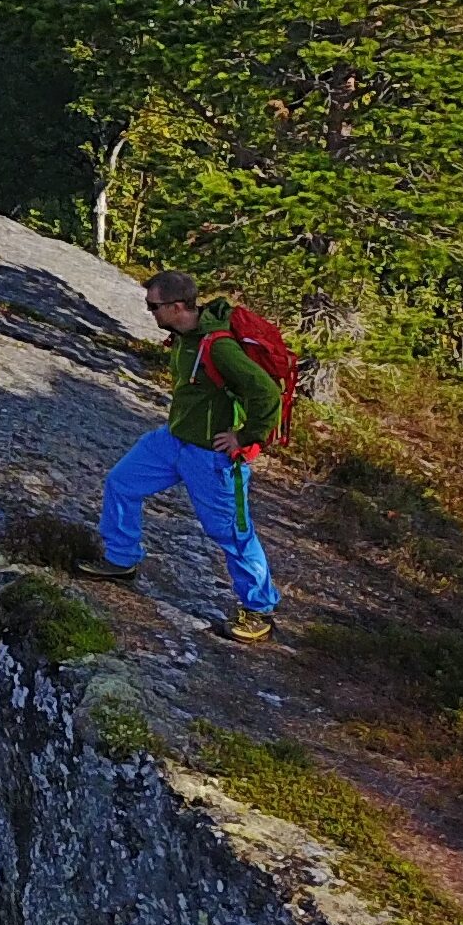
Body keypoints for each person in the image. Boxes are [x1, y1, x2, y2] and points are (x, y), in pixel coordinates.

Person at [76, 267, 284, 643]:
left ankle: (260, 610)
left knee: (232, 533)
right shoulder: (184, 336)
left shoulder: (218, 346)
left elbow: (266, 393)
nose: (149, 312)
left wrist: (245, 435)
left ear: (176, 306)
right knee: (122, 483)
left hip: (212, 457)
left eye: (153, 306)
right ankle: (121, 560)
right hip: (172, 441)